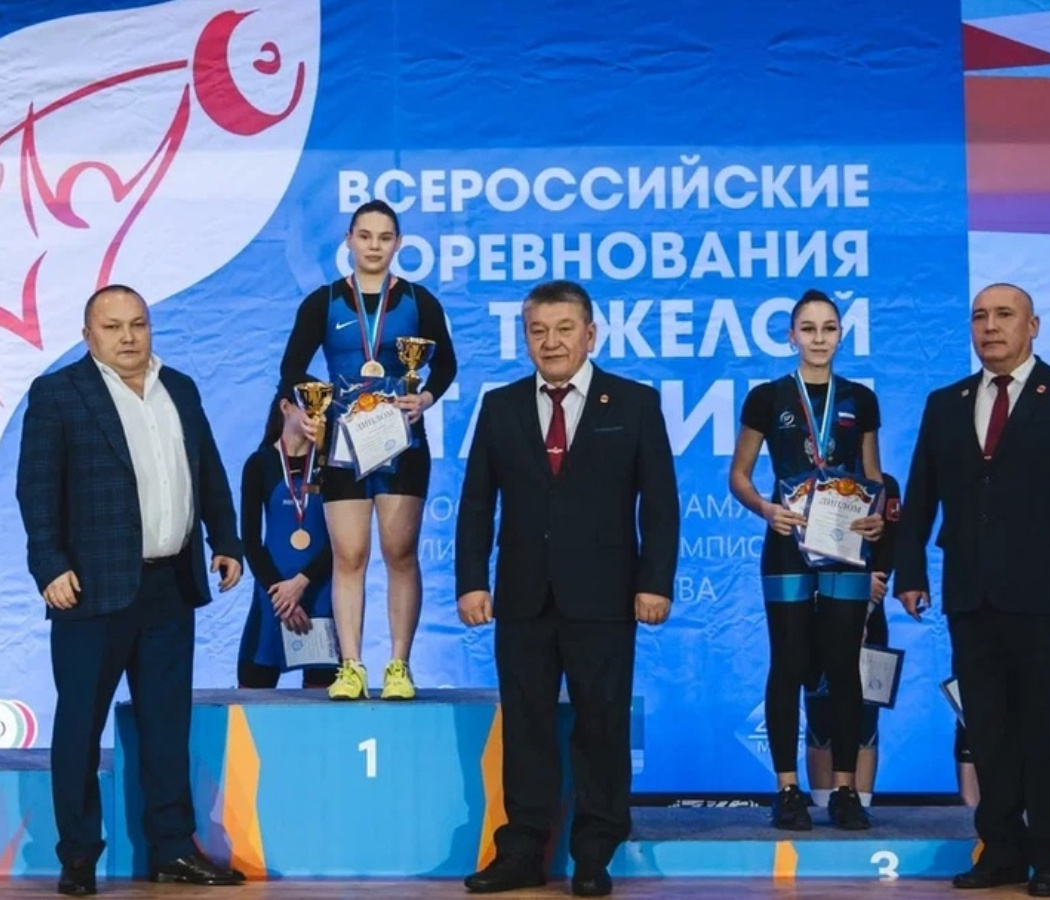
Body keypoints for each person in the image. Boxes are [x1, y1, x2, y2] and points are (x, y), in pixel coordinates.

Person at [16, 285, 246, 895]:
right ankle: (78, 857)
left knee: (167, 727)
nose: (127, 337)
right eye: (112, 326)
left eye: (137, 324)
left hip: (170, 585)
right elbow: (36, 489)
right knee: (79, 728)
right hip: (90, 590)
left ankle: (173, 849)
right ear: (87, 334)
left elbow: (207, 471)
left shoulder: (181, 389)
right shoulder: (58, 393)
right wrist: (49, 566)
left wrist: (226, 538)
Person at [895, 283, 1050, 898]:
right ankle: (1000, 850)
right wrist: (910, 572)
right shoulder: (946, 402)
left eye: (1004, 315)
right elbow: (921, 494)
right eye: (980, 316)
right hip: (971, 594)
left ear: (1033, 326)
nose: (990, 326)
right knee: (988, 730)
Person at [456, 280, 678, 897]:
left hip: (606, 597)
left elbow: (661, 504)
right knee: (526, 727)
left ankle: (594, 852)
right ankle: (522, 850)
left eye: (563, 329)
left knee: (601, 726)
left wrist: (655, 582)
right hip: (522, 596)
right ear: (525, 337)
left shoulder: (634, 403)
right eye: (538, 331)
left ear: (591, 335)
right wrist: (471, 581)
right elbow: (476, 504)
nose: (550, 342)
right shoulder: (500, 406)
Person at [279, 199, 458, 701]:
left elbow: (446, 364)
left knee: (400, 554)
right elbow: (291, 367)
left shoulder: (419, 301)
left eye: (384, 237)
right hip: (343, 444)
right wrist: (314, 407)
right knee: (349, 555)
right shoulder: (323, 302)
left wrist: (425, 398)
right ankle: (352, 666)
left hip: (402, 442)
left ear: (398, 244)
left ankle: (399, 665)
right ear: (349, 241)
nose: (374, 246)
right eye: (365, 236)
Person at [728, 289, 885, 832]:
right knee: (789, 662)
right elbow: (739, 475)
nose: (819, 338)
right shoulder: (767, 398)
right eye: (809, 329)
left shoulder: (860, 399)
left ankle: (844, 790)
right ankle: (787, 789)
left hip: (845, 545)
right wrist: (766, 509)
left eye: (829, 328)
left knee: (843, 665)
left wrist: (877, 516)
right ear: (791, 336)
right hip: (788, 543)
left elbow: (873, 476)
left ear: (841, 335)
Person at [804, 474, 902, 810]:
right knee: (820, 720)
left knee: (866, 722)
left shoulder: (885, 485)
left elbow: (889, 549)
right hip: (818, 613)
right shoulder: (809, 484)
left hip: (870, 619)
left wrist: (864, 611)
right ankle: (822, 810)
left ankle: (859, 809)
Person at [237, 378, 338, 690]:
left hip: (321, 594)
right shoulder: (259, 464)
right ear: (286, 407)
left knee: (324, 703)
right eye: (309, 405)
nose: (317, 415)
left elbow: (343, 540)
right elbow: (250, 541)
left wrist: (301, 583)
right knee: (252, 689)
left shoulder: (333, 465)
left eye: (322, 408)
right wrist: (281, 595)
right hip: (274, 596)